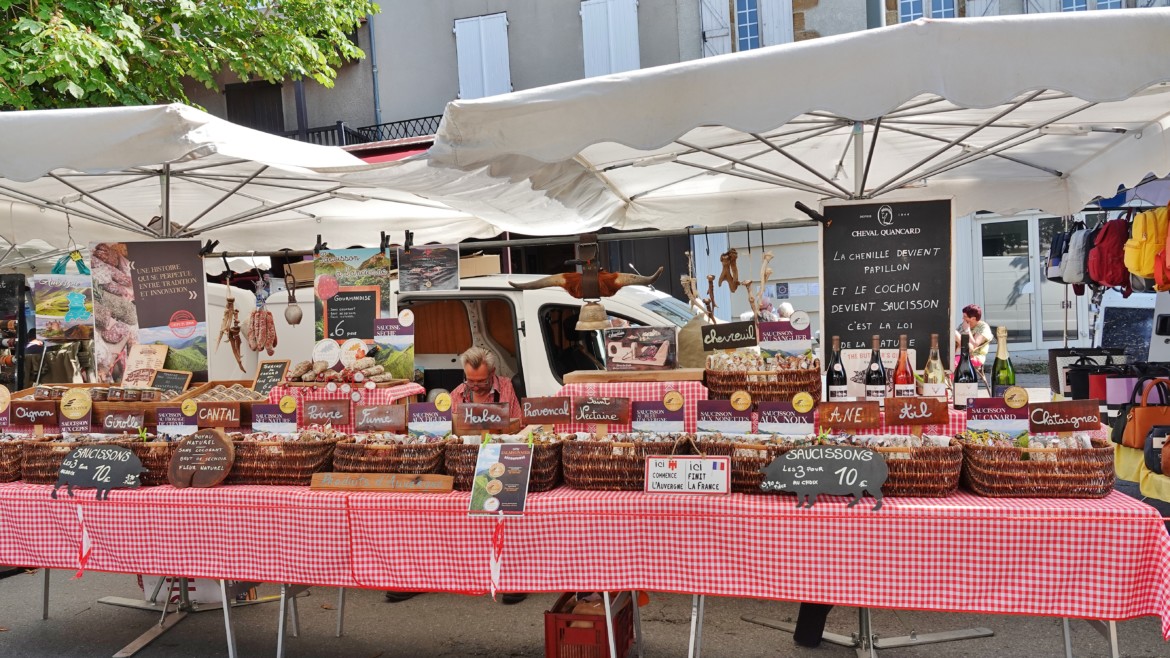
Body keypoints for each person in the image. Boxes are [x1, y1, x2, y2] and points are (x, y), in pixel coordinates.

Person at [449, 346, 522, 432]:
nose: (476, 387)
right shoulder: (456, 394)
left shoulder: (506, 388)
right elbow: (446, 431)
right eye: (470, 381)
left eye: (481, 381)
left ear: (492, 372)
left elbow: (520, 425)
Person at [953, 304, 993, 368]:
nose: (963, 318)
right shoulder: (963, 325)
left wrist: (967, 330)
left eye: (965, 316)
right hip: (959, 353)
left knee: (952, 364)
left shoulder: (983, 327)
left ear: (973, 318)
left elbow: (974, 345)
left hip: (974, 356)